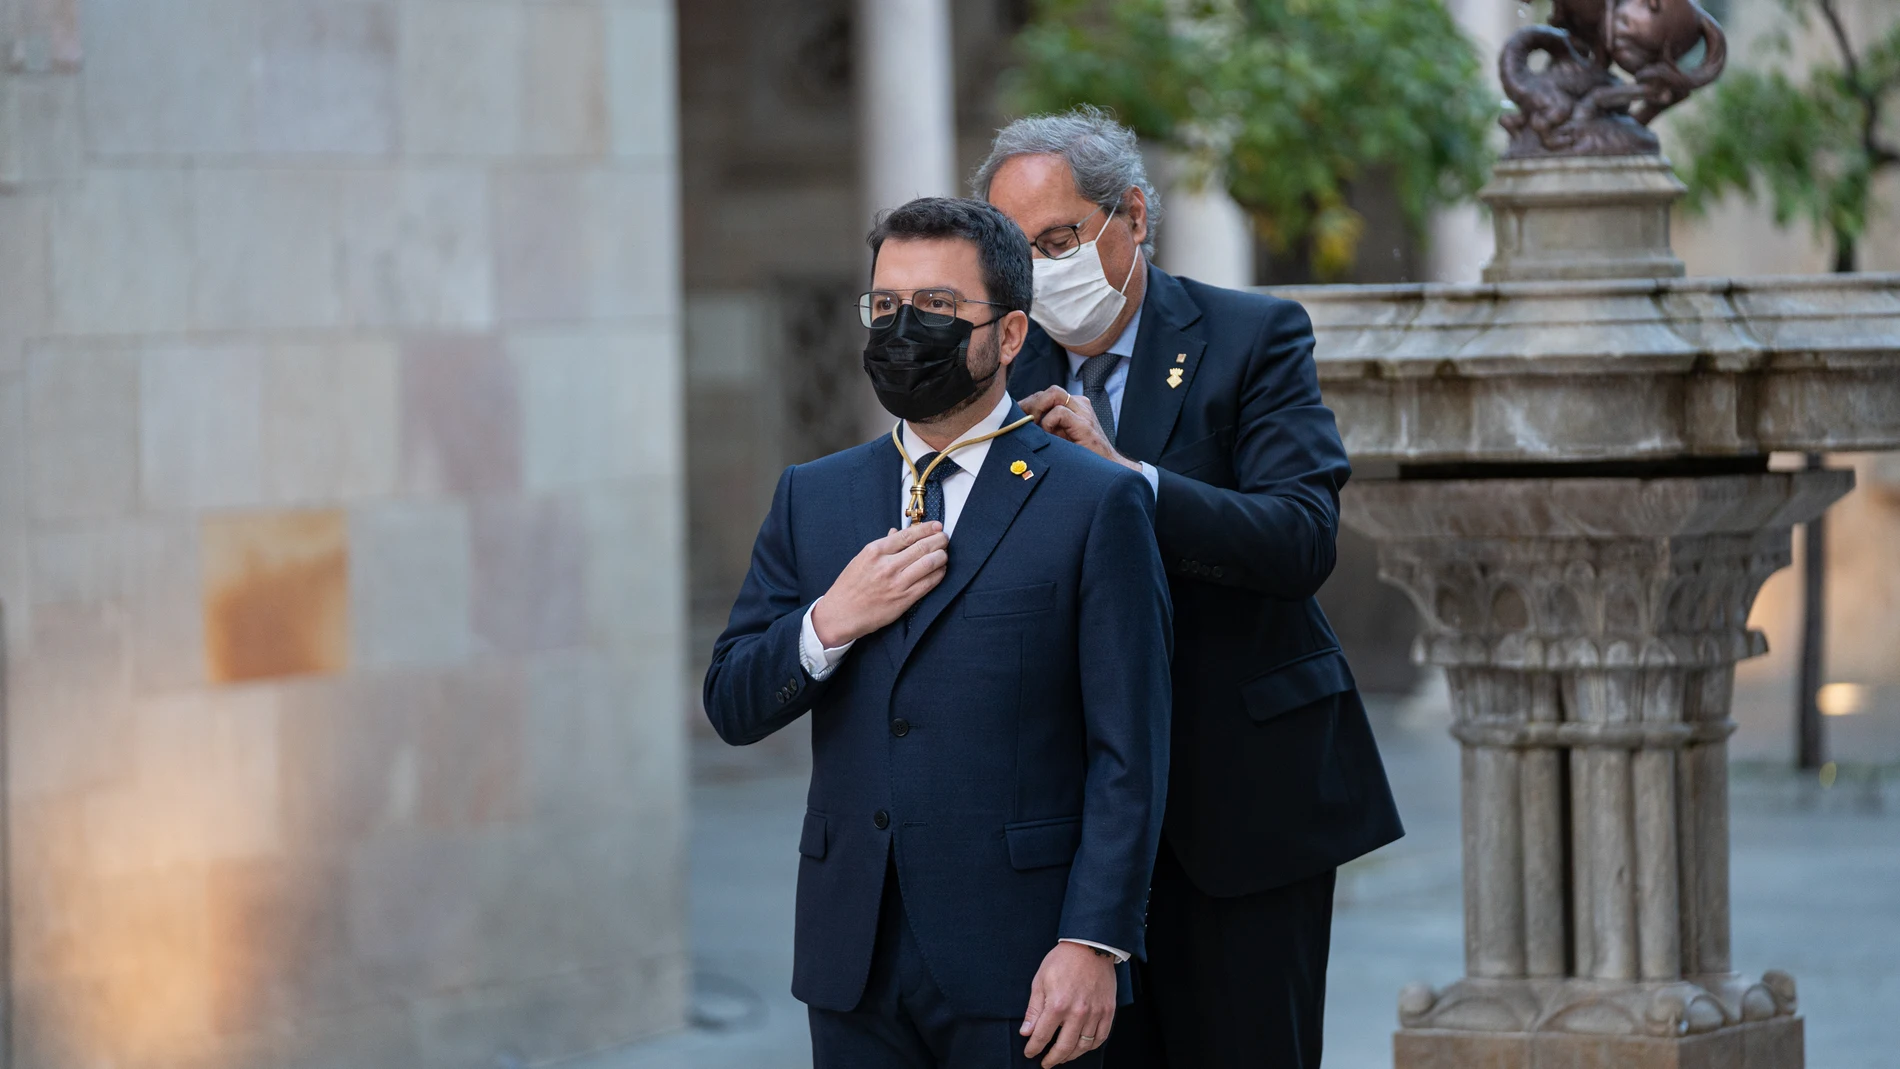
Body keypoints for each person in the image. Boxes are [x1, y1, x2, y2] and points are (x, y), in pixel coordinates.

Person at [977, 107, 1405, 1069]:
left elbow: (1301, 537)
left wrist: (1127, 481)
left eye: (1059, 240)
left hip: (1246, 806)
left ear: (1130, 215)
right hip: (1074, 826)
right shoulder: (1008, 369)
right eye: (1019, 249)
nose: (1043, 270)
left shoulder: (1251, 335)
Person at [703, 196, 1173, 1069]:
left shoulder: (1095, 501)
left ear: (1010, 333)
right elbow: (731, 699)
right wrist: (829, 620)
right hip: (852, 959)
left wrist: (1095, 941)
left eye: (936, 309)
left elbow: (1131, 752)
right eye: (884, 308)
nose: (901, 329)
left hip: (1027, 967)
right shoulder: (815, 495)